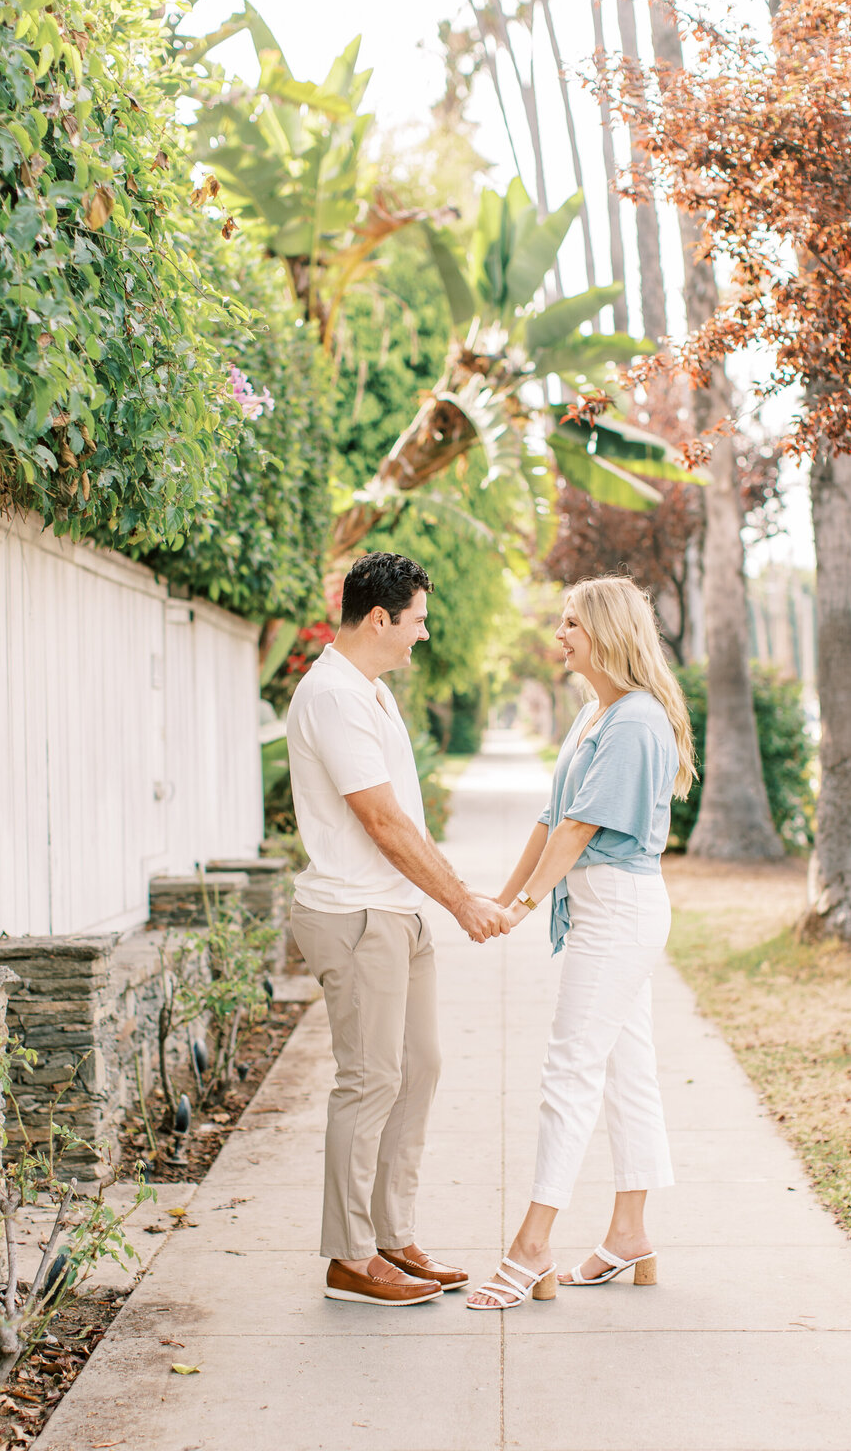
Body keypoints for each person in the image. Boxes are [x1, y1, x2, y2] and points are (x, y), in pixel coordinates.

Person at [286, 552, 513, 1307]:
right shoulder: (333, 698)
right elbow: (382, 822)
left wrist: (437, 900)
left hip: (395, 911)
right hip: (356, 913)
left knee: (419, 1069)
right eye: (416, 619)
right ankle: (349, 1258)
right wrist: (462, 902)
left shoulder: (370, 692)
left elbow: (400, 820)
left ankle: (391, 1237)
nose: (423, 633)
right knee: (370, 1080)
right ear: (379, 618)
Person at [466, 576, 696, 1310]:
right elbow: (548, 817)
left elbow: (578, 831)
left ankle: (532, 1246)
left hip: (620, 908)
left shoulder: (634, 721)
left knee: (569, 1070)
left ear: (606, 631)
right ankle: (629, 1234)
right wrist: (498, 902)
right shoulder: (595, 713)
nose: (559, 634)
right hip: (602, 908)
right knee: (627, 1071)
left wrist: (525, 905)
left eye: (572, 622)